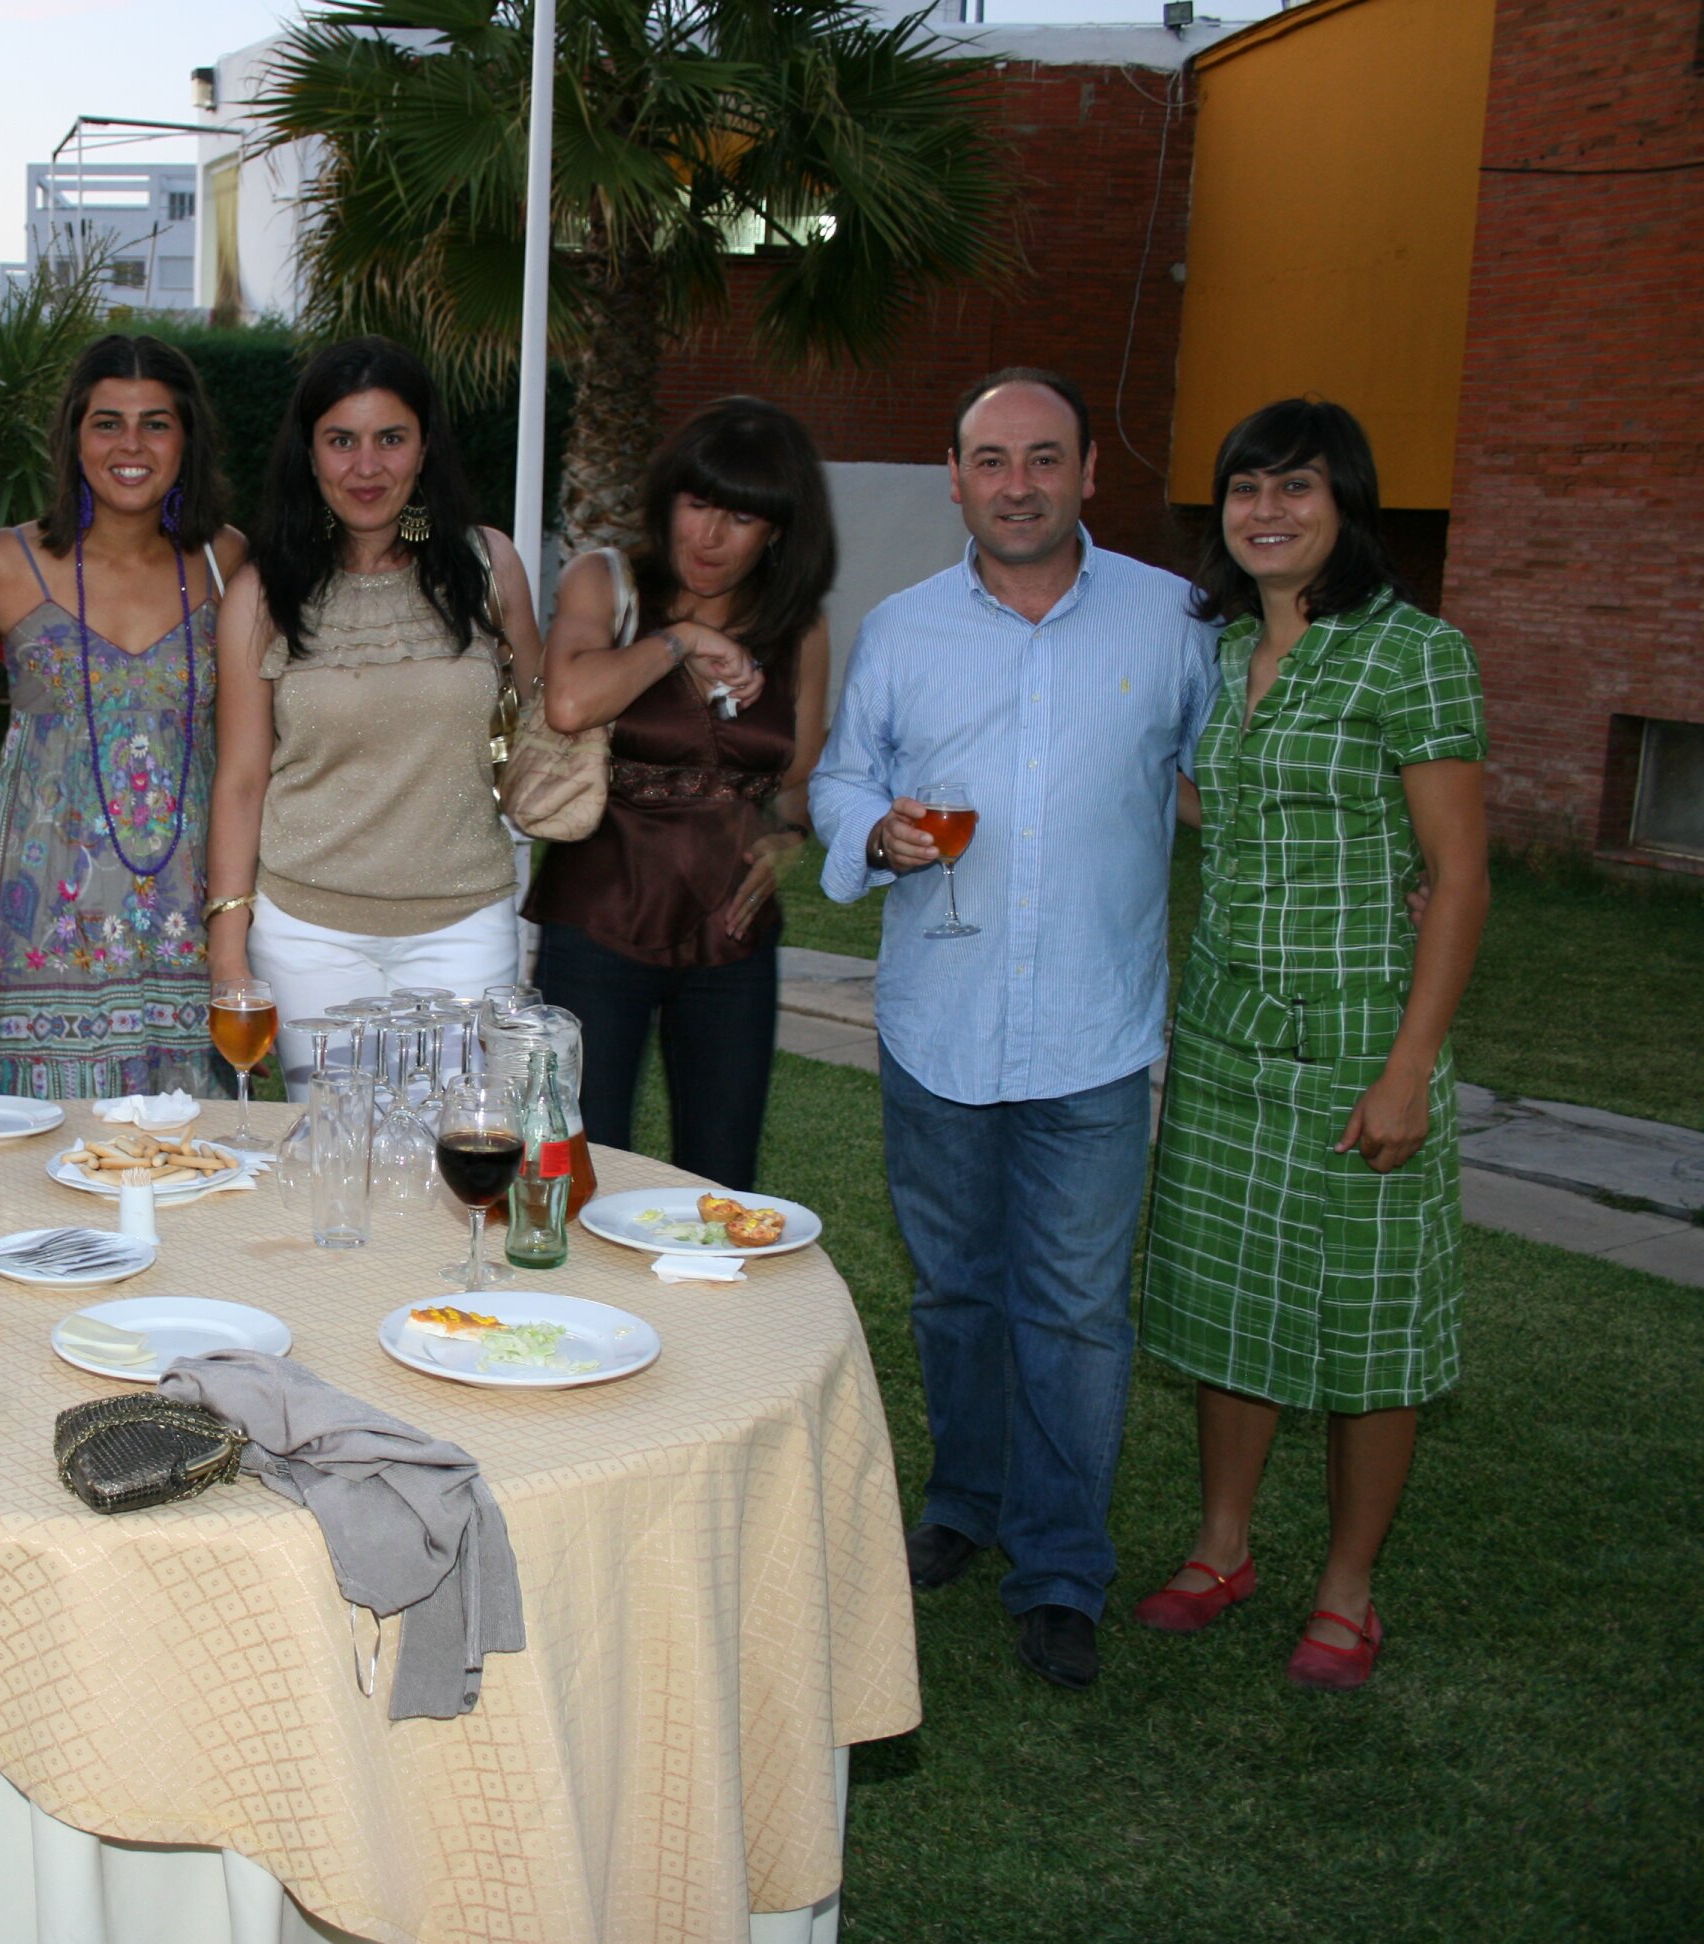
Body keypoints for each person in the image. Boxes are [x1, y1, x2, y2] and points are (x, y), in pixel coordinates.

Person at [809, 367, 1219, 1692]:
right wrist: (872, 832)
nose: (1020, 484)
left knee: (1078, 1311)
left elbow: (1230, 778)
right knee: (954, 1290)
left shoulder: (1173, 621)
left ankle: (1059, 1569)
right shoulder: (903, 629)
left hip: (1096, 1030)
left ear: (1090, 473)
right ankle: (965, 1502)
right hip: (940, 1020)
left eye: (1046, 459)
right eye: (992, 460)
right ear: (955, 478)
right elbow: (843, 777)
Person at [1130, 399, 1486, 1692]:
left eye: (1297, 488)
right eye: (1246, 489)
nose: (1266, 511)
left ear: (1348, 506)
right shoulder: (1223, 652)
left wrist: (1409, 1070)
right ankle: (1222, 1548)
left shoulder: (1414, 653)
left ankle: (1347, 1590)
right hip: (1228, 1037)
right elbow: (1217, 803)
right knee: (1228, 1301)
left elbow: (1459, 876)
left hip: (1356, 1045)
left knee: (1367, 1325)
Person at [202, 336, 544, 1085]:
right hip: (306, 936)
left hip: (466, 926)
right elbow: (241, 780)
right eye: (341, 441)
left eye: (391, 438)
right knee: (333, 1144)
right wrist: (228, 952)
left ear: (425, 448)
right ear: (309, 453)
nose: (366, 467)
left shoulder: (488, 567)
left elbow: (542, 725)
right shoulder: (262, 594)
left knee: (460, 1140)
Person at [0, 335, 247, 1099]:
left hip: (187, 917)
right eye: (107, 423)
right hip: (44, 923)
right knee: (40, 1151)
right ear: (73, 436)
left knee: (190, 1152)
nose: (131, 445)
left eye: (155, 423)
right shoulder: (5, 566)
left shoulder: (226, 562)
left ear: (187, 440)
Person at [524, 397, 834, 1191]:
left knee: (722, 1178)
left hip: (732, 933)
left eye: (741, 517)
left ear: (778, 530)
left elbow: (796, 773)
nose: (710, 535)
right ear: (667, 500)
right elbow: (569, 702)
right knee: (579, 1168)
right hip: (599, 918)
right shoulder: (608, 582)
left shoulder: (799, 627)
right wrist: (683, 639)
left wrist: (788, 839)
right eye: (697, 504)